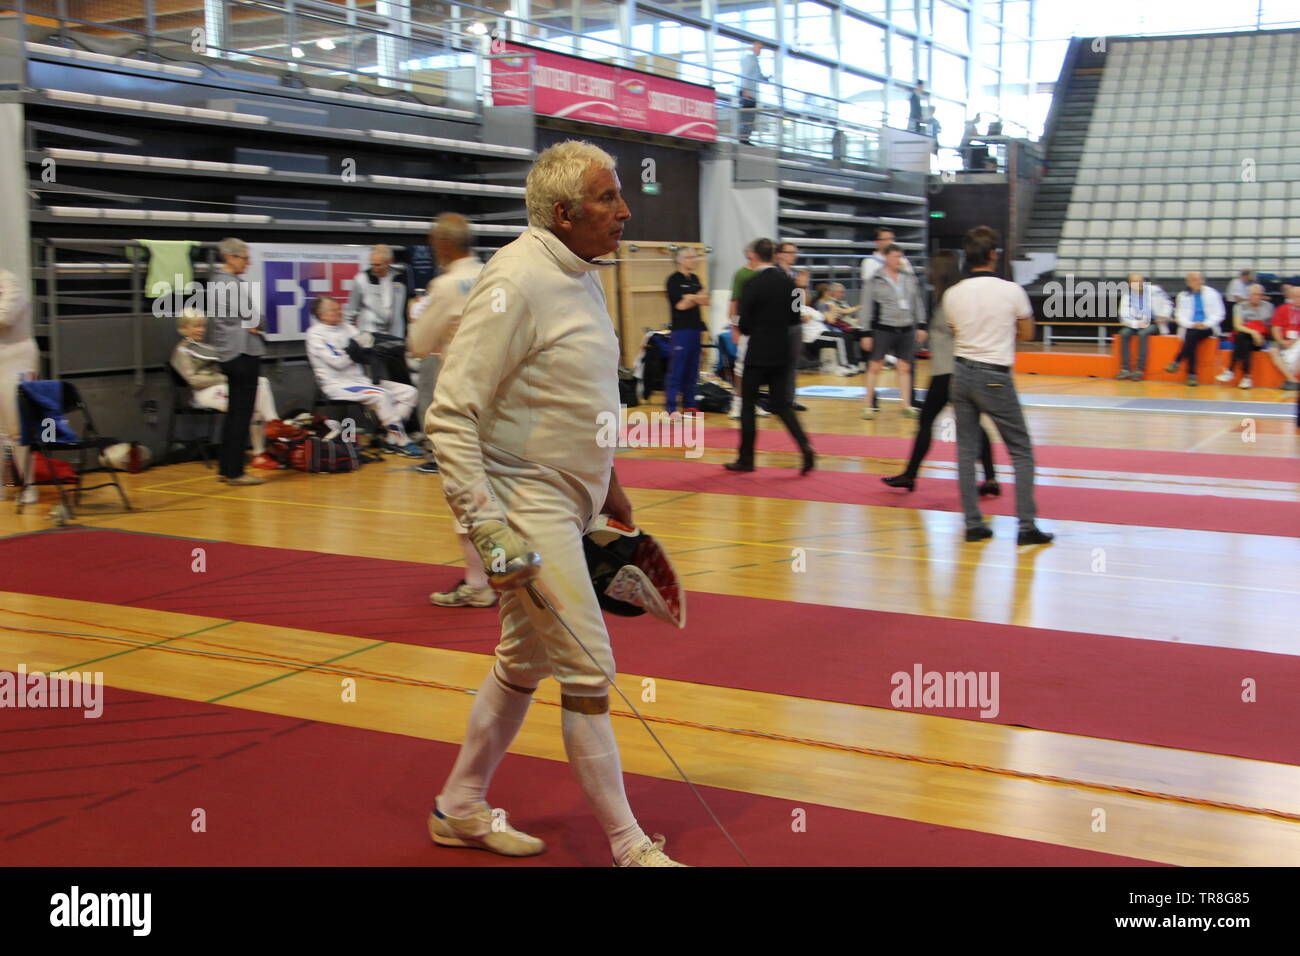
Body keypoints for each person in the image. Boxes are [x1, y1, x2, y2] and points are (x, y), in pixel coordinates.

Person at [427, 139, 686, 867]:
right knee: (587, 668)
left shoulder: (582, 276)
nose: (625, 211)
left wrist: (610, 484)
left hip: (573, 501)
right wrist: (489, 530)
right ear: (565, 212)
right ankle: (630, 847)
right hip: (525, 508)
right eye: (609, 198)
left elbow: (582, 395)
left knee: (522, 659)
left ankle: (460, 806)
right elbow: (449, 414)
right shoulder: (515, 281)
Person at [945, 226, 1053, 546]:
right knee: (1021, 450)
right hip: (994, 375)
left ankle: (973, 524)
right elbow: (1028, 333)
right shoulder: (1011, 290)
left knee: (965, 452)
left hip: (961, 373)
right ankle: (1026, 525)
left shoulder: (953, 293)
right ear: (993, 255)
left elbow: (954, 329)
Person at [882, 252, 997, 494]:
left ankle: (910, 475)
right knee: (973, 424)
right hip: (955, 369)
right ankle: (990, 478)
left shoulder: (949, 300)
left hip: (949, 372)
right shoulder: (954, 296)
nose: (930, 273)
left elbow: (958, 333)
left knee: (926, 422)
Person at [725, 238, 815, 475]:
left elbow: (744, 324)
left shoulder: (752, 283)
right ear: (774, 255)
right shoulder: (789, 283)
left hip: (758, 352)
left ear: (755, 255)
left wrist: (751, 327)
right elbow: (796, 317)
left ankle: (746, 459)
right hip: (781, 351)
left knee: (747, 405)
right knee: (783, 405)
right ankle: (805, 447)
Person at [408, 212, 485, 476]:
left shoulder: (444, 285)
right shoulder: (492, 273)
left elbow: (418, 346)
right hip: (501, 390)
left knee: (467, 487)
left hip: (460, 394)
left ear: (442, 245)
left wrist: (417, 314)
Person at [306, 296, 422, 456]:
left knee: (410, 392)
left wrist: (372, 347)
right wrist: (357, 349)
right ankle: (402, 441)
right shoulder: (315, 335)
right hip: (336, 385)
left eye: (339, 308)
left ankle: (391, 439)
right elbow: (337, 362)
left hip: (361, 381)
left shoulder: (347, 327)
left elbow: (367, 347)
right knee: (381, 395)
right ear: (322, 315)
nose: (339, 311)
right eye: (334, 309)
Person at [171, 307, 278, 468]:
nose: (200, 330)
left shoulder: (204, 348)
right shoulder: (182, 350)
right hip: (202, 394)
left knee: (260, 384)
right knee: (249, 401)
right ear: (184, 328)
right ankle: (274, 433)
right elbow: (194, 381)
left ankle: (268, 436)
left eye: (202, 326)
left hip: (221, 387)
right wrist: (224, 378)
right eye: (195, 326)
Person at [207, 237, 266, 486]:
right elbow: (255, 318)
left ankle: (227, 468)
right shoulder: (228, 284)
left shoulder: (217, 282)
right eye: (244, 257)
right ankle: (234, 472)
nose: (248, 262)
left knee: (235, 414)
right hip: (241, 353)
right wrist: (256, 324)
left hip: (230, 352)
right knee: (241, 414)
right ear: (230, 257)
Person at [861, 244, 924, 421]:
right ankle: (867, 405)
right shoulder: (875, 279)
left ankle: (906, 405)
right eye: (896, 257)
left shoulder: (909, 277)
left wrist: (921, 324)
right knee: (875, 366)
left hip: (906, 327)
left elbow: (916, 301)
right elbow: (866, 307)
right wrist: (865, 332)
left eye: (901, 257)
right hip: (883, 327)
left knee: (905, 367)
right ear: (887, 258)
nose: (899, 260)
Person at [0, 268, 38, 505]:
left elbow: (5, 316)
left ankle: (29, 486)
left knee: (18, 427)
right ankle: (3, 487)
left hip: (17, 361)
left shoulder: (8, 280)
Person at [663, 247, 708, 415]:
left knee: (693, 368)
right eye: (690, 257)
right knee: (677, 369)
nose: (694, 260)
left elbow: (705, 299)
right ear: (680, 260)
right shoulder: (673, 280)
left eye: (695, 257)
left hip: (696, 328)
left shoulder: (695, 278)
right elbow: (680, 305)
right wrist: (696, 297)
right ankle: (671, 407)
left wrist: (691, 298)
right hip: (681, 331)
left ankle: (690, 405)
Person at [727, 241, 768, 420]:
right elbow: (734, 302)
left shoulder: (766, 274)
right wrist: (734, 327)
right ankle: (737, 404)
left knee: (759, 366)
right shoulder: (742, 274)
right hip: (746, 326)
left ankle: (754, 402)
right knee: (741, 367)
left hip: (764, 327)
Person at [1163, 272, 1225, 386]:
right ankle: (1192, 375)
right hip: (1190, 327)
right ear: (1188, 282)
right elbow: (1179, 316)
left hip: (1209, 327)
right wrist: (1192, 324)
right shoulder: (1182, 296)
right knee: (1191, 337)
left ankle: (1177, 362)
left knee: (1190, 336)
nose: (1195, 282)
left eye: (1197, 280)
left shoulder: (1212, 293)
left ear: (1202, 281)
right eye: (1192, 280)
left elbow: (1220, 313)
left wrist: (1205, 323)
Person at [1217, 284, 1273, 389]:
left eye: (1260, 295)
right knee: (1243, 339)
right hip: (1246, 336)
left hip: (1261, 338)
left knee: (1242, 339)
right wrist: (1254, 333)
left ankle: (1230, 371)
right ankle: (1246, 377)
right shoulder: (1239, 306)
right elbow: (1237, 326)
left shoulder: (1268, 306)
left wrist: (1261, 336)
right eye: (1255, 294)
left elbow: (1270, 327)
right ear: (1248, 295)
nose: (1258, 297)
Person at [1116, 273, 1170, 380]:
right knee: (1124, 333)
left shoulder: (1154, 290)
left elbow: (1167, 303)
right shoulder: (1127, 295)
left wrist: (1164, 315)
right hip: (1135, 323)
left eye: (1141, 281)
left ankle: (1139, 370)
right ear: (1130, 284)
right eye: (1136, 282)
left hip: (1154, 322)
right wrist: (1136, 323)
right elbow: (1123, 315)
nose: (1140, 284)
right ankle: (1125, 369)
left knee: (1143, 333)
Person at [1268, 286, 1300, 391]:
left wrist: (1294, 341)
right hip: (1283, 340)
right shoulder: (1282, 309)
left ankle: (1291, 381)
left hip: (1297, 340)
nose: (1297, 299)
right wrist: (1282, 341)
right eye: (1295, 297)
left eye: (1299, 297)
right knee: (1273, 350)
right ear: (1291, 297)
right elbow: (1275, 328)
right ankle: (1292, 380)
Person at [738, 40, 767, 145]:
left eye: (761, 48)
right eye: (759, 47)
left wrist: (766, 78)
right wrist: (745, 89)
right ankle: (743, 138)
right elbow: (745, 74)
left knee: (750, 116)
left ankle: (746, 137)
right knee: (746, 115)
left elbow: (759, 76)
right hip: (748, 92)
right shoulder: (749, 59)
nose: (760, 50)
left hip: (752, 93)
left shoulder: (755, 61)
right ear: (753, 47)